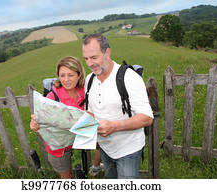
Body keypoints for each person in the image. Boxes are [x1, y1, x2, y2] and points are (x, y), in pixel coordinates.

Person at [82, 34, 154, 179]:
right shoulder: (89, 80)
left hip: (128, 150)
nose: (89, 64)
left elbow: (147, 118)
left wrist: (114, 126)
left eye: (94, 57)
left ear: (107, 52)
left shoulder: (129, 78)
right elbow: (90, 111)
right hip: (105, 149)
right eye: (86, 59)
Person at [30, 56, 86, 179]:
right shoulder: (51, 98)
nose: (66, 80)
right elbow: (42, 126)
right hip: (59, 148)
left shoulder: (84, 91)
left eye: (70, 75)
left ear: (79, 74)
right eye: (62, 75)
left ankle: (95, 168)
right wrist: (35, 125)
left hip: (80, 140)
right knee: (67, 178)